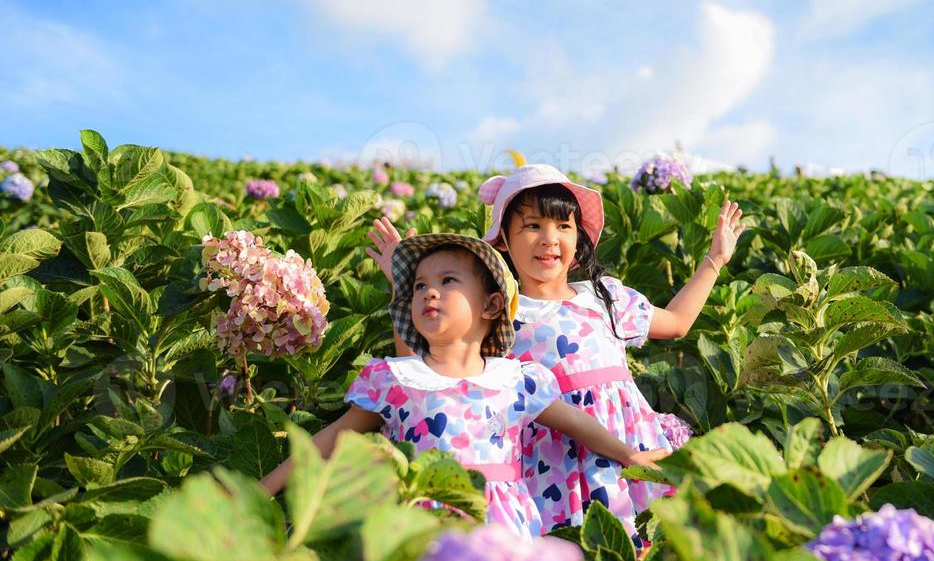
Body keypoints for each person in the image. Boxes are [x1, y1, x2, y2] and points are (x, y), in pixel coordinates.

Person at [367, 164, 745, 537]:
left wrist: (715, 260)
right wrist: (405, 285)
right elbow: (421, 373)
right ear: (502, 241)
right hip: (549, 471)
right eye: (532, 226)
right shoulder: (496, 314)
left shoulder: (603, 297)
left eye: (563, 226)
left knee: (645, 546)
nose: (549, 238)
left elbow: (677, 322)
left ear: (578, 238)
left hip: (628, 452)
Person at [262, 232, 668, 539]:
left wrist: (630, 455)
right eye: (419, 286)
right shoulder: (395, 379)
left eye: (448, 281)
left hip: (502, 534)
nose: (429, 292)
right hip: (420, 528)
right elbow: (328, 441)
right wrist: (263, 491)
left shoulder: (515, 379)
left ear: (492, 305)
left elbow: (577, 423)